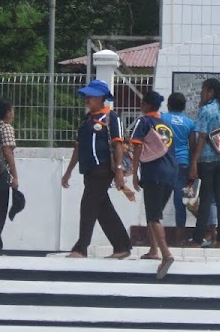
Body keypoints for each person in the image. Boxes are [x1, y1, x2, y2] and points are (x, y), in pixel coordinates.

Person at [61, 79, 133, 259]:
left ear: (101, 98)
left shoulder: (110, 117)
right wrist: (69, 170)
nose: (87, 99)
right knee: (102, 209)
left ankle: (81, 248)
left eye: (91, 96)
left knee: (88, 207)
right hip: (88, 169)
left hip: (102, 169)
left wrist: (118, 170)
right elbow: (78, 147)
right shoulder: (87, 119)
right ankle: (122, 246)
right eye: (86, 96)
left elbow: (117, 145)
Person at [130, 91, 178, 278]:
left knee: (153, 216)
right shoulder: (166, 125)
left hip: (154, 173)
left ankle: (165, 254)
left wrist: (134, 174)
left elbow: (137, 146)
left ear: (146, 105)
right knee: (155, 212)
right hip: (171, 173)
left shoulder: (144, 122)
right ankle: (153, 249)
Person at [188, 78, 220, 249]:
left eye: (203, 91)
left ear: (211, 92)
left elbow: (201, 138)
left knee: (205, 199)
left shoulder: (206, 110)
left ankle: (198, 239)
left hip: (207, 159)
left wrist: (194, 161)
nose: (201, 93)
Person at [160, 92, 195, 237]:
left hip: (165, 162)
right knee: (181, 202)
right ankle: (179, 237)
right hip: (183, 164)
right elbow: (192, 146)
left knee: (158, 201)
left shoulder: (162, 118)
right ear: (184, 107)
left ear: (168, 105)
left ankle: (154, 239)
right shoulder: (190, 123)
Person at [0, 98, 20, 255]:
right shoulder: (6, 128)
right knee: (0, 212)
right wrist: (15, 176)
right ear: (7, 112)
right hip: (1, 174)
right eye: (12, 110)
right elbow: (7, 151)